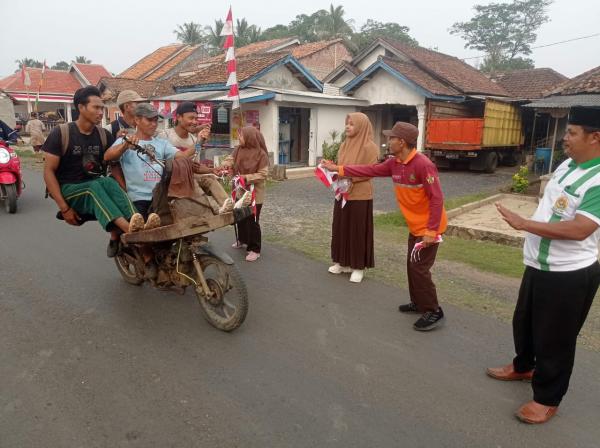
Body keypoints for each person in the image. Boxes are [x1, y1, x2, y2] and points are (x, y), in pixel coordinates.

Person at [487, 106, 600, 424]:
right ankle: (523, 366)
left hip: (569, 272)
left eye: (572, 133)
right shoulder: (567, 165)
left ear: (595, 137)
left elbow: (581, 229)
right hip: (539, 263)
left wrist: (525, 225)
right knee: (524, 322)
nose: (565, 138)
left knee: (556, 337)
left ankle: (547, 398)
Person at [321, 121, 447, 331]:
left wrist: (431, 231)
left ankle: (434, 310)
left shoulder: (423, 164)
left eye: (391, 138)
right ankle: (418, 303)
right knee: (412, 266)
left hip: (429, 229)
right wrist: (338, 168)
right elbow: (370, 169)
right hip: (415, 226)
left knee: (419, 268)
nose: (388, 142)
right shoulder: (395, 163)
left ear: (402, 142)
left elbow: (437, 199)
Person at [42, 86, 145, 258]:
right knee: (95, 186)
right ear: (81, 108)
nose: (100, 112)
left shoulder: (104, 135)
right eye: (96, 108)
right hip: (68, 189)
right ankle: (131, 233)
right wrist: (64, 208)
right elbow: (48, 173)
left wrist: (124, 190)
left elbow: (114, 164)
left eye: (102, 108)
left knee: (108, 181)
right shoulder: (61, 133)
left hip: (95, 185)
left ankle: (139, 224)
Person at [104, 103, 196, 219]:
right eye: (149, 120)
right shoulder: (126, 141)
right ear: (137, 120)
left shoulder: (162, 143)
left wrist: (200, 142)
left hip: (160, 199)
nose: (153, 125)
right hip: (138, 200)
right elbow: (107, 156)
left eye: (156, 121)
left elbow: (183, 156)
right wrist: (125, 146)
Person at [328, 112, 379, 283]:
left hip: (360, 194)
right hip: (343, 193)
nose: (348, 127)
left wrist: (343, 173)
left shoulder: (370, 147)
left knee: (357, 231)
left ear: (362, 126)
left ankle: (358, 267)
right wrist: (331, 169)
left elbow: (370, 171)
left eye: (352, 124)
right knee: (341, 227)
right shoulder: (344, 145)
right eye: (347, 123)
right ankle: (342, 262)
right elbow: (340, 167)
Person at [158, 101, 231, 213]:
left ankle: (227, 206)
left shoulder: (193, 139)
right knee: (193, 181)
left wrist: (212, 170)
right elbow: (166, 164)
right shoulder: (166, 136)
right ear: (178, 117)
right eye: (191, 118)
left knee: (210, 178)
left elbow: (195, 167)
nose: (194, 122)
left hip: (190, 178)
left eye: (196, 119)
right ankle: (215, 209)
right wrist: (200, 142)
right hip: (171, 180)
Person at [225, 126, 269, 262]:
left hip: (254, 193)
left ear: (249, 137)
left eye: (241, 135)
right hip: (239, 191)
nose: (239, 138)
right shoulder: (238, 149)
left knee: (252, 220)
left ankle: (255, 249)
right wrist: (226, 164)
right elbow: (230, 159)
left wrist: (245, 178)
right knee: (240, 217)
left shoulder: (261, 154)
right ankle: (242, 240)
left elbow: (263, 174)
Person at [107, 90, 146, 190]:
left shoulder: (143, 127)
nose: (141, 106)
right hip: (119, 182)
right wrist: (118, 142)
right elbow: (108, 161)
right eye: (137, 103)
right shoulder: (110, 129)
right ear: (127, 107)